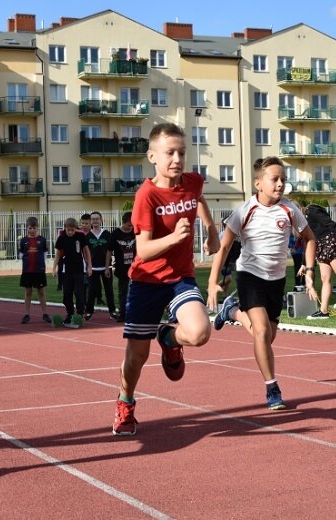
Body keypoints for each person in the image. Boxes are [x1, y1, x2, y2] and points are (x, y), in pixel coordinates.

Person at [113, 122, 219, 436]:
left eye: (181, 152)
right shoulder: (146, 196)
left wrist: (211, 231)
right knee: (137, 357)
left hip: (180, 277)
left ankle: (169, 339)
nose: (176, 158)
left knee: (200, 332)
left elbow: (198, 199)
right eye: (169, 152)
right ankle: (125, 403)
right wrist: (174, 238)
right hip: (146, 281)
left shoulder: (193, 181)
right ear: (152, 157)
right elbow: (143, 250)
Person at [209, 156, 317, 410]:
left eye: (283, 180)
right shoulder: (244, 211)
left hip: (276, 279)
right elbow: (224, 247)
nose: (280, 184)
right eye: (275, 179)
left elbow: (310, 239)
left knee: (268, 337)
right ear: (259, 183)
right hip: (249, 276)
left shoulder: (290, 209)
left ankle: (232, 310)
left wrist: (309, 270)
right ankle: (272, 388)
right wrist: (213, 282)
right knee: (261, 332)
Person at [52, 218, 92, 327]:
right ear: (65, 228)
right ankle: (69, 314)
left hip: (79, 269)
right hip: (66, 270)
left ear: (76, 229)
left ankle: (79, 314)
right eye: (68, 230)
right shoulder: (61, 238)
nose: (70, 232)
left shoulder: (81, 236)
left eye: (72, 230)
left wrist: (89, 266)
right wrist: (54, 267)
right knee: (67, 294)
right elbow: (58, 254)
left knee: (79, 293)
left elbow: (86, 251)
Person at [18, 216, 51, 324]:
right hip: (27, 271)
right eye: (29, 228)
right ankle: (26, 314)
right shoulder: (23, 241)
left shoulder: (42, 240)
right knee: (28, 292)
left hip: (39, 270)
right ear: (27, 228)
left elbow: (45, 253)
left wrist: (40, 264)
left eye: (34, 228)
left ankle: (45, 313)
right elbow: (22, 254)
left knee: (41, 292)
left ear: (37, 228)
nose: (32, 230)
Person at [85, 211, 116, 320]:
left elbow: (109, 251)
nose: (95, 221)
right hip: (93, 268)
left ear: (101, 220)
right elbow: (85, 252)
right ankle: (89, 312)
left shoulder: (107, 234)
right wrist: (89, 266)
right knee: (92, 291)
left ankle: (112, 311)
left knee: (109, 290)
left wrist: (107, 267)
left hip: (105, 268)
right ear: (90, 221)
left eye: (97, 219)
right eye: (93, 219)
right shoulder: (87, 236)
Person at [108, 211, 136, 323]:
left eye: (132, 225)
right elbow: (109, 251)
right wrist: (107, 266)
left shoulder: (135, 231)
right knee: (122, 292)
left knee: (136, 291)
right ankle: (122, 313)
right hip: (122, 268)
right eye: (129, 225)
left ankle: (135, 312)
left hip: (136, 267)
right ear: (123, 223)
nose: (131, 227)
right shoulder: (115, 234)